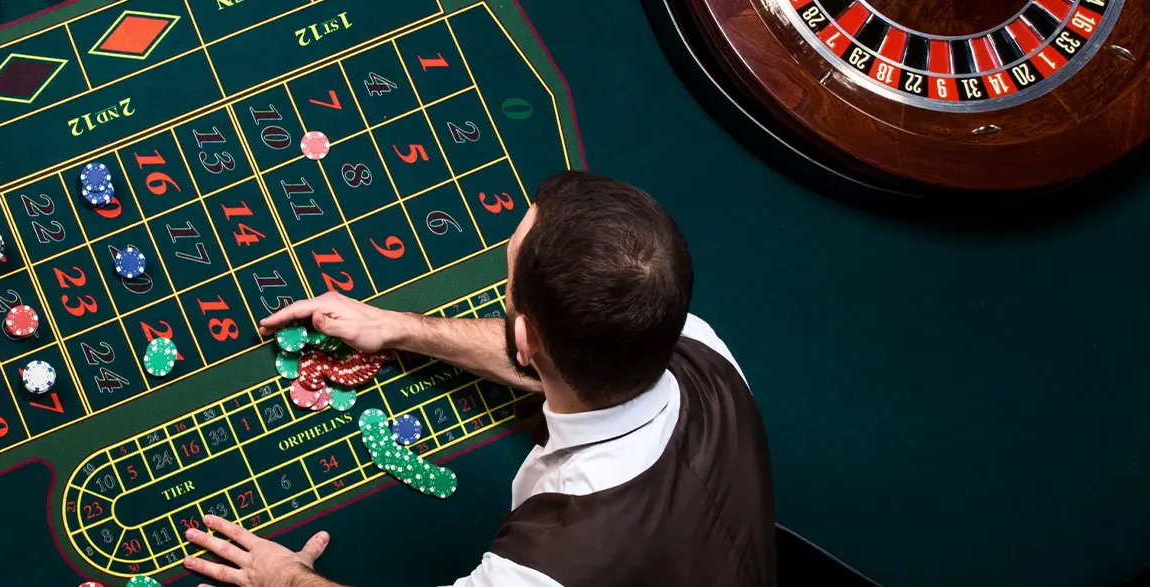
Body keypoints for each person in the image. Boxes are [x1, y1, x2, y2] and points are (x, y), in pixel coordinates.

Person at [180, 171, 778, 586]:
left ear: (526, 339)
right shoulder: (698, 344)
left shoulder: (550, 567)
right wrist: (394, 328)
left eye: (508, 281)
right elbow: (556, 358)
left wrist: (282, 577)